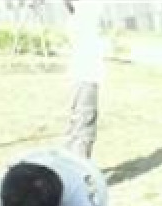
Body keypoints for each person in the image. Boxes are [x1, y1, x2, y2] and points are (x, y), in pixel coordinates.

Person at [64, 0, 105, 159]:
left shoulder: (82, 15)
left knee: (79, 121)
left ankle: (72, 163)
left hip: (82, 74)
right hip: (84, 73)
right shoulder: (83, 15)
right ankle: (75, 164)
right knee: (81, 122)